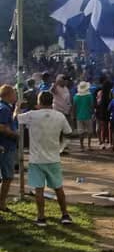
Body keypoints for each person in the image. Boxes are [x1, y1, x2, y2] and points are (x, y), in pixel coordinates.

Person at [17, 91, 74, 226]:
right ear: (52, 102)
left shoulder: (32, 115)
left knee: (39, 190)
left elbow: (17, 117)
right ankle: (65, 214)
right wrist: (61, 145)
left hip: (36, 159)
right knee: (58, 188)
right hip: (53, 157)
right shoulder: (59, 116)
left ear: (39, 101)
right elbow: (68, 133)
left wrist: (17, 107)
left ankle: (41, 217)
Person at [0, 85, 18, 212]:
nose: (15, 96)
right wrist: (15, 135)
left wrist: (16, 110)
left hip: (4, 146)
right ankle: (1, 203)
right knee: (7, 177)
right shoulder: (4, 109)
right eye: (14, 94)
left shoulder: (5, 107)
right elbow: (1, 127)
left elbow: (8, 122)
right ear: (8, 95)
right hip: (6, 147)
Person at [73, 80, 95, 152]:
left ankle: (81, 146)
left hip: (79, 116)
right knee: (89, 131)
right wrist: (92, 113)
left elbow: (74, 107)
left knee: (81, 132)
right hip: (88, 115)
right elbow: (91, 106)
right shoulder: (89, 95)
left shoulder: (76, 96)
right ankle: (89, 145)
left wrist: (74, 115)